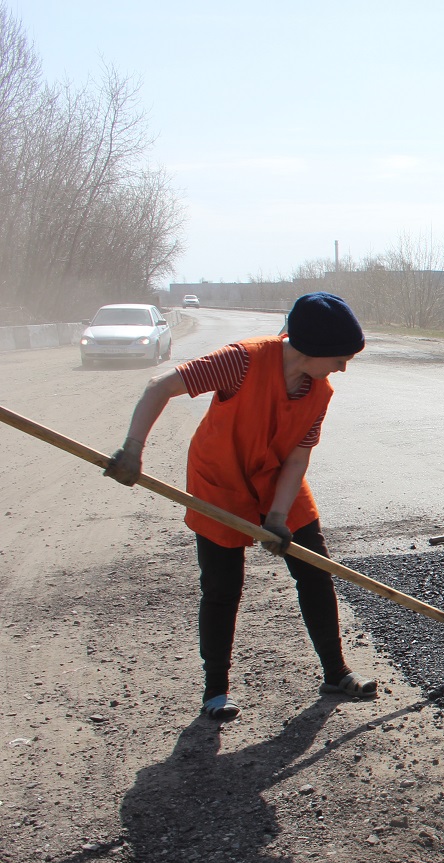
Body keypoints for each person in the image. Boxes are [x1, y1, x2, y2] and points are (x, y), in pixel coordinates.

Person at [102, 293, 377, 722]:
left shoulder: (319, 392)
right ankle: (216, 690)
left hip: (276, 482)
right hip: (220, 484)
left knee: (316, 571)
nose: (342, 368)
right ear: (313, 348)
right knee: (223, 586)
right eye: (340, 358)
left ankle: (335, 671)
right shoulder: (241, 361)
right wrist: (133, 450)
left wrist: (278, 517)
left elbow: (298, 458)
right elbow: (161, 387)